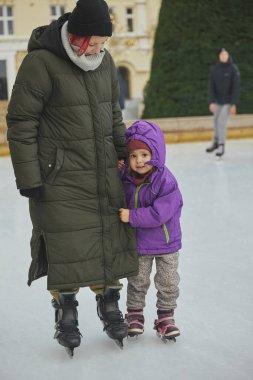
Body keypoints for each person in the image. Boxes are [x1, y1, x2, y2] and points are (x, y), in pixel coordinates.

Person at [6, 0, 138, 356]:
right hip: (59, 176)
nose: (99, 49)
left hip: (103, 171)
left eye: (103, 43)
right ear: (77, 36)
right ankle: (66, 311)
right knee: (65, 244)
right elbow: (21, 123)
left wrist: (124, 152)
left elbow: (113, 113)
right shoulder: (41, 63)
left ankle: (110, 303)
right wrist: (29, 176)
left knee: (109, 237)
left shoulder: (105, 62)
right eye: (94, 42)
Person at [119, 120, 183, 341]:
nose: (139, 161)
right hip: (139, 244)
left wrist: (132, 216)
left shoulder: (166, 181)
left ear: (156, 153)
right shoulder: (126, 178)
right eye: (133, 156)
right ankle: (134, 314)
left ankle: (165, 316)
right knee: (137, 281)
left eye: (144, 155)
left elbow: (160, 213)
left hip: (166, 244)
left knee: (168, 281)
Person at [206, 48, 240, 157]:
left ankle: (221, 145)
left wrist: (233, 103)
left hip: (228, 101)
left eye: (226, 55)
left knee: (221, 122)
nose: (224, 56)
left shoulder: (233, 69)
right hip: (217, 101)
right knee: (216, 121)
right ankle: (215, 142)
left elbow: (236, 87)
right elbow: (211, 86)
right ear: (219, 57)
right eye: (222, 55)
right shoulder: (215, 69)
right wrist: (211, 101)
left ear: (228, 56)